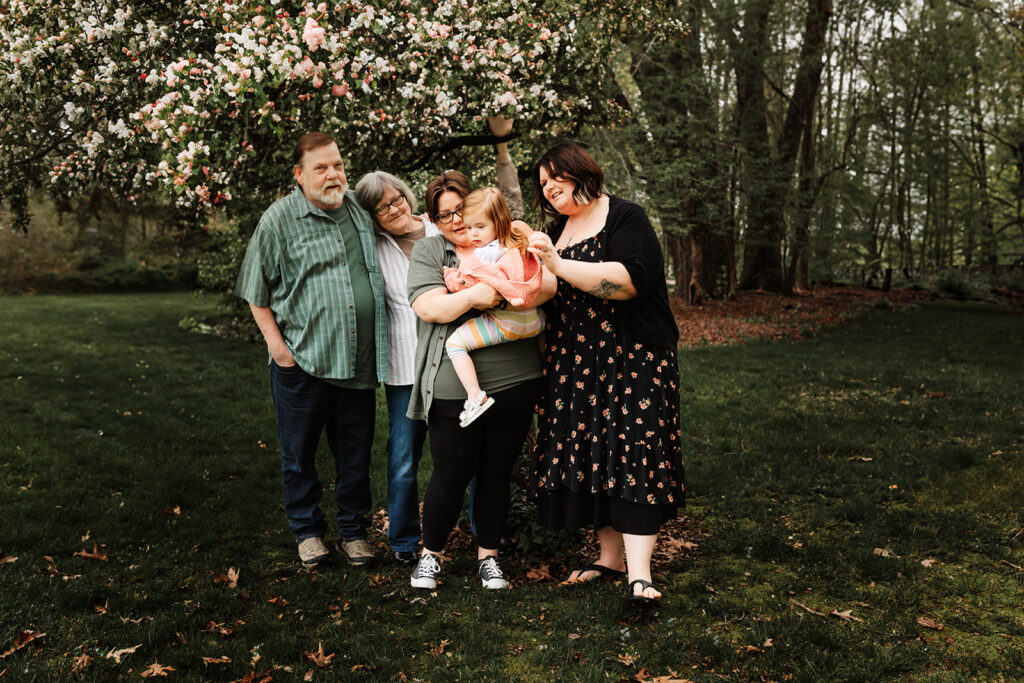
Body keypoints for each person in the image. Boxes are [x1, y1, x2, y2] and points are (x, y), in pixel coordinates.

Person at [526, 143, 686, 605]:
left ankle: (640, 575)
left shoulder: (625, 217)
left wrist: (556, 264)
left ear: (581, 172)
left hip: (633, 355)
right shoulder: (556, 231)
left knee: (635, 451)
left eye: (555, 176)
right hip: (576, 363)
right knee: (598, 455)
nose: (548, 187)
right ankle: (609, 558)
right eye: (542, 184)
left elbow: (631, 281)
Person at [235, 132, 388, 569]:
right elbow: (255, 289)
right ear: (299, 175)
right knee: (298, 455)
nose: (332, 174)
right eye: (320, 168)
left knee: (355, 455)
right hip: (301, 360)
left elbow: (404, 220)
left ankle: (354, 533)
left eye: (337, 165)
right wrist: (278, 348)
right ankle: (307, 532)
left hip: (356, 358)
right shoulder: (279, 219)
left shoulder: (360, 206)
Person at [406, 171, 556, 590]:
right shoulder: (430, 251)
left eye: (461, 210)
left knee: (496, 473)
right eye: (444, 215)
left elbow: (546, 286)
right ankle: (430, 555)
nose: (456, 221)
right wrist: (474, 296)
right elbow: (430, 307)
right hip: (456, 386)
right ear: (433, 221)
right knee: (450, 472)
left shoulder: (508, 238)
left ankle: (488, 557)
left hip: (518, 377)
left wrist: (513, 286)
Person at [353, 171, 437, 565]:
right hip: (405, 367)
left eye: (396, 199)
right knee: (403, 457)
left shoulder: (442, 229)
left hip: (455, 360)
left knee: (463, 455)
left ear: (406, 195)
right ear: (373, 217)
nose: (393, 210)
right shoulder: (374, 248)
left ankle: (481, 536)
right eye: (381, 207)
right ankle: (404, 542)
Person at [441, 187, 546, 427]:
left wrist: (450, 275)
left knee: (455, 344)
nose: (473, 234)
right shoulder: (517, 245)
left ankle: (475, 396)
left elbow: (468, 283)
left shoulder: (486, 255)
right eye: (469, 228)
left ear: (498, 222)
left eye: (480, 226)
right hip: (536, 321)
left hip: (507, 324)